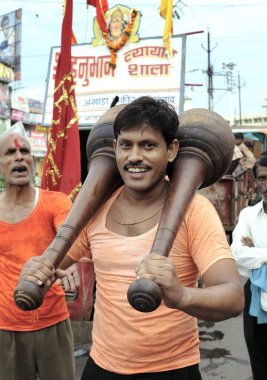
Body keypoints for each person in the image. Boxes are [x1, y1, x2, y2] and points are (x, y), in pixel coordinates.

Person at [20, 96, 244, 380]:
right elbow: (51, 265)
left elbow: (233, 297)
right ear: (114, 148)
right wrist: (38, 269)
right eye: (126, 145)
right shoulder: (94, 206)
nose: (135, 156)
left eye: (148, 145)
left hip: (172, 370)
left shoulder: (196, 210)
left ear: (171, 150)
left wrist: (180, 294)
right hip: (102, 366)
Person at [0, 130, 79, 380]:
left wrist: (71, 261)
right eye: (10, 153)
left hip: (53, 323)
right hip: (5, 327)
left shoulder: (56, 202)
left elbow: (71, 239)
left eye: (25, 152)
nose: (19, 158)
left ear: (33, 162)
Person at [231, 155, 267, 380]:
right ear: (256, 182)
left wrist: (257, 252)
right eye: (263, 178)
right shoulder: (248, 215)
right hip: (255, 296)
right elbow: (236, 255)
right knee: (260, 365)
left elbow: (248, 257)